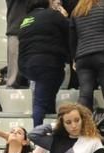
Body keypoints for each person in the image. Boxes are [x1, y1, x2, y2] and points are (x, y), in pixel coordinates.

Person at [69, 0, 104, 144]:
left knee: (85, 95)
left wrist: (74, 58)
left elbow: (72, 39)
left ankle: (84, 134)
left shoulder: (76, 11)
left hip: (83, 56)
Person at [17, 0, 70, 128]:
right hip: (47, 63)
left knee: (46, 92)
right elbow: (70, 31)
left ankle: (49, 116)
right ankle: (37, 135)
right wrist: (64, 17)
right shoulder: (53, 15)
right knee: (40, 102)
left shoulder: (24, 20)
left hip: (26, 65)